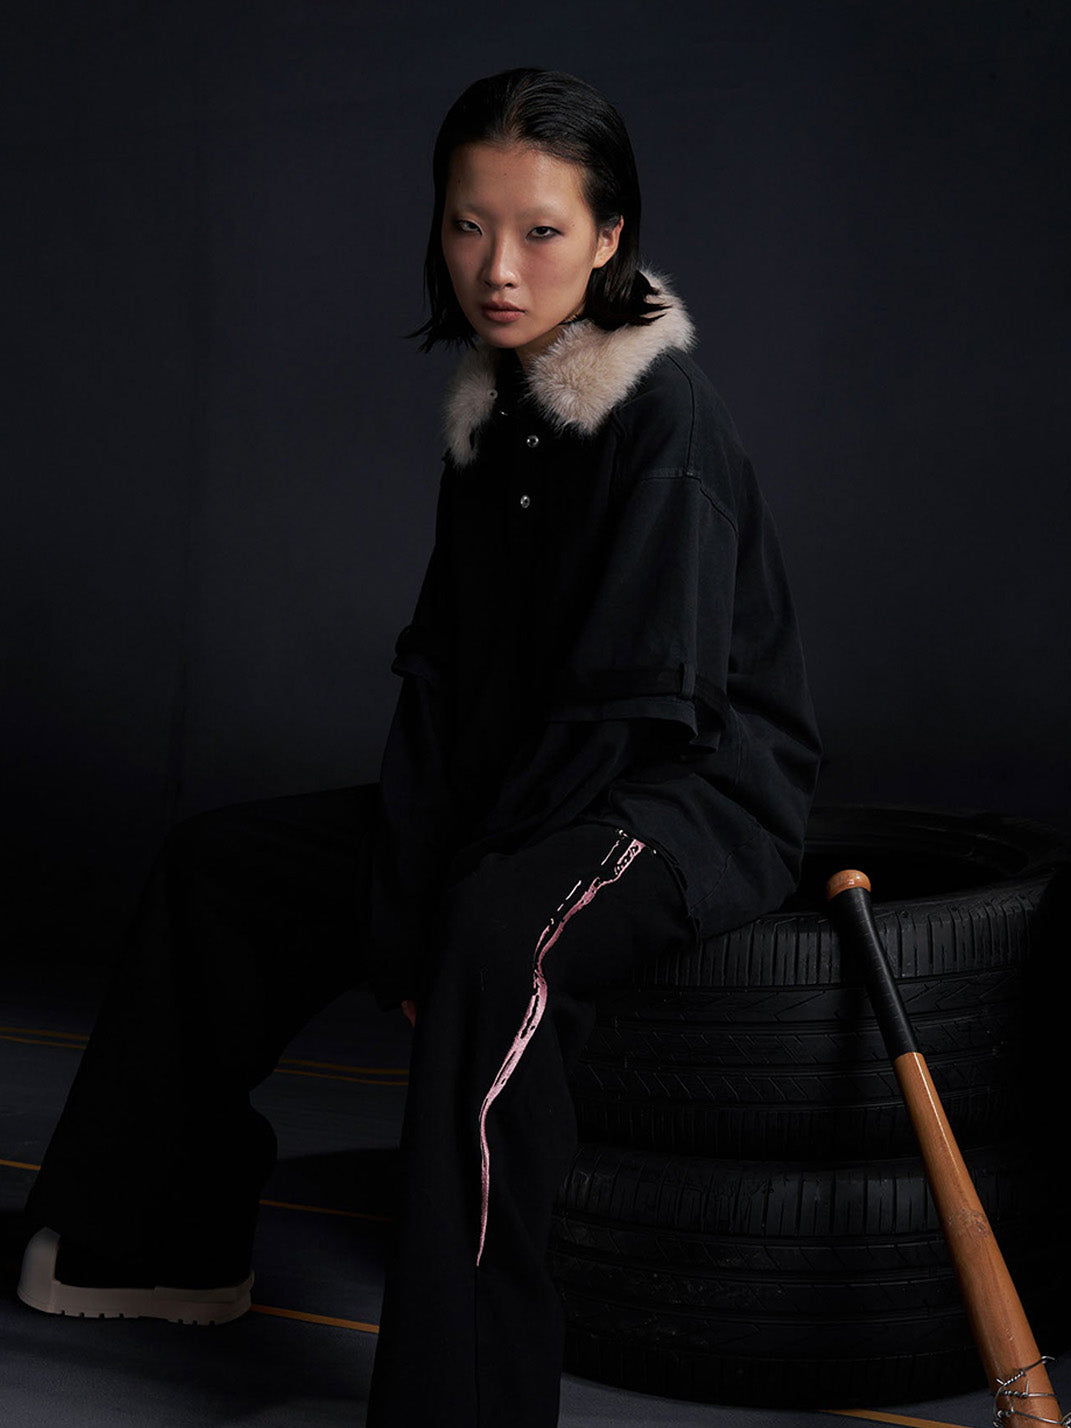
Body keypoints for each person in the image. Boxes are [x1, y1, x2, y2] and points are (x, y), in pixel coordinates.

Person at [17, 68, 821, 1428]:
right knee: (220, 871)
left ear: (610, 236)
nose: (497, 268)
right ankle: (152, 1246)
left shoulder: (662, 421)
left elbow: (626, 718)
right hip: (529, 786)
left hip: (678, 799)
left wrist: (446, 904)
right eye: (467, 225)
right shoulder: (494, 412)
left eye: (542, 231)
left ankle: (468, 1405)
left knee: (494, 942)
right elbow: (444, 683)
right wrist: (401, 889)